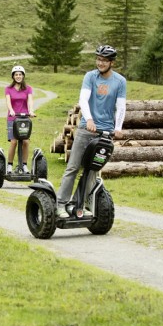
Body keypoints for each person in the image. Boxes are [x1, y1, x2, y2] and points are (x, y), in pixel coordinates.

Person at [57, 45, 127, 218]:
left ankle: (77, 204)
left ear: (111, 62)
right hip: (86, 130)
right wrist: (88, 119)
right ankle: (61, 204)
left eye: (104, 60)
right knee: (73, 166)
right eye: (98, 59)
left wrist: (117, 128)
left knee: (92, 171)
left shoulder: (120, 81)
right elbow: (83, 99)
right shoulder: (90, 76)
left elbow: (121, 107)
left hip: (106, 133)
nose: (100, 63)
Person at [5, 65, 35, 174]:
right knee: (13, 142)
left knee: (26, 142)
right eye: (16, 74)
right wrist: (11, 110)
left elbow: (30, 101)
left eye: (20, 74)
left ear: (23, 76)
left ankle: (24, 165)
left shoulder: (28, 88)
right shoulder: (8, 89)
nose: (18, 76)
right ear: (13, 76)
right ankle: (9, 165)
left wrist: (31, 110)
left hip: (24, 119)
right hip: (12, 118)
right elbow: (8, 101)